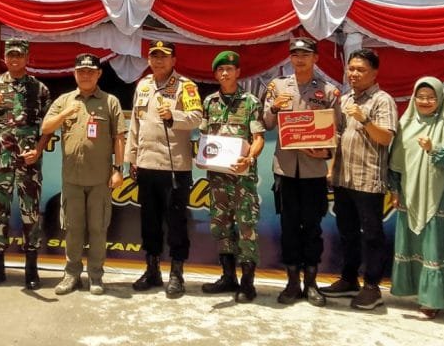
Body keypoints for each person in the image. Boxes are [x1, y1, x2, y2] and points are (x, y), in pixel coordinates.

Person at [263, 36, 340, 307]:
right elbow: (266, 123)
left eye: (306, 54)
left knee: (313, 228)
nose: (300, 59)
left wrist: (326, 153)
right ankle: (292, 282)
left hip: (313, 173)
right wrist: (274, 107)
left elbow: (336, 131)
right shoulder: (277, 86)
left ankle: (311, 283)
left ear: (315, 58)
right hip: (284, 170)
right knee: (288, 227)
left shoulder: (329, 91)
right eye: (295, 55)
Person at [125, 40, 203, 299]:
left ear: (174, 61)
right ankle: (152, 269)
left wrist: (173, 116)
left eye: (164, 57)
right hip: (146, 164)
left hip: (174, 167)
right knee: (149, 221)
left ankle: (177, 273)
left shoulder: (186, 86)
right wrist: (131, 158)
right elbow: (135, 124)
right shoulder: (143, 85)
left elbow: (196, 118)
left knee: (176, 222)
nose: (158, 61)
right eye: (154, 56)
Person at [41, 54, 123, 296]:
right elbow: (45, 128)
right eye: (81, 71)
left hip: (100, 180)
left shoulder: (110, 102)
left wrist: (119, 169)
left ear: (99, 74)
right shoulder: (65, 100)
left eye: (90, 71)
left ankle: (96, 276)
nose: (85, 75)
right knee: (73, 229)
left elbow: (119, 138)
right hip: (72, 180)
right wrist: (66, 113)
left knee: (98, 229)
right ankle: (71, 274)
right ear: (75, 74)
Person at [0, 38, 51, 289]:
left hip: (28, 162)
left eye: (19, 55)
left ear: (27, 58)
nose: (14, 59)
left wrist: (38, 150)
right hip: (0, 160)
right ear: (5, 57)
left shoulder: (40, 89)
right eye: (10, 55)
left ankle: (31, 269)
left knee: (30, 214)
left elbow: (48, 127)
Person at [322, 48, 397, 310]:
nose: (353, 74)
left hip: (368, 180)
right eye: (351, 68)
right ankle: (349, 278)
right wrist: (331, 169)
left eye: (360, 69)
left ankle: (372, 287)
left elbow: (386, 138)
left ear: (374, 73)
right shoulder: (344, 100)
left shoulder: (382, 100)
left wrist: (365, 119)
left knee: (372, 235)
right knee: (348, 233)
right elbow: (338, 138)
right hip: (344, 178)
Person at [388, 77, 444, 319]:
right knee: (413, 244)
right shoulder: (406, 122)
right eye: (420, 96)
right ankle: (416, 292)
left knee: (435, 245)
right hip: (410, 192)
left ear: (440, 98)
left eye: (430, 97)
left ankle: (432, 300)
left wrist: (435, 150)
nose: (425, 101)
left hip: (437, 193)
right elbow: (395, 162)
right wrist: (394, 190)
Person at [198, 50, 265, 302]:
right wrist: (201, 156)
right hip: (217, 178)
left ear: (238, 72)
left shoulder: (250, 102)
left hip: (242, 177)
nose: (224, 73)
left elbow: (257, 138)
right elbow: (204, 137)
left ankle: (247, 283)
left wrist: (250, 158)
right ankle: (228, 277)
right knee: (220, 225)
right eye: (220, 70)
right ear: (215, 74)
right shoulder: (209, 102)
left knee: (246, 226)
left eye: (229, 69)